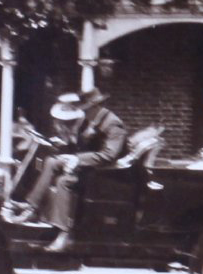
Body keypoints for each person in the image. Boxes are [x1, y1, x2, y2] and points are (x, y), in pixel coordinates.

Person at [15, 87, 127, 252]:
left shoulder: (113, 124)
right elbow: (85, 146)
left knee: (64, 182)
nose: (82, 113)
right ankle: (33, 207)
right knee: (51, 161)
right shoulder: (92, 120)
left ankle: (65, 235)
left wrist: (77, 159)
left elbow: (109, 155)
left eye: (85, 110)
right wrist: (66, 145)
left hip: (106, 175)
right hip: (90, 168)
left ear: (96, 106)